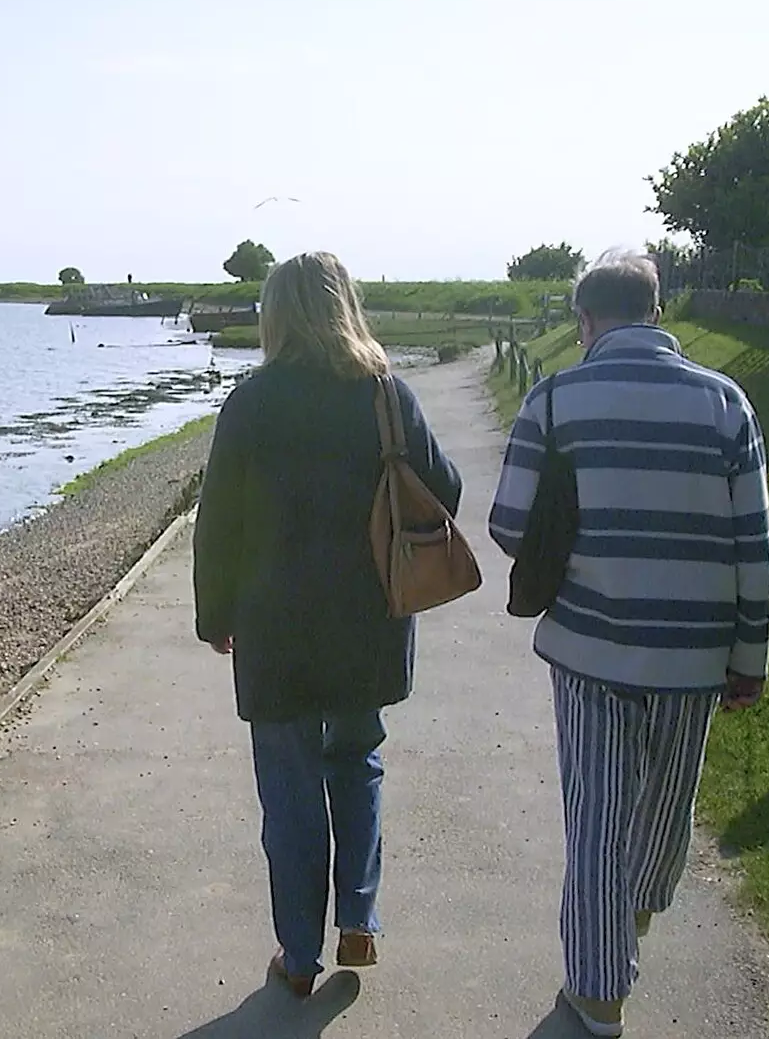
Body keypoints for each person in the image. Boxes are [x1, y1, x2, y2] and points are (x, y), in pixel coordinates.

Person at [488, 249, 769, 1037]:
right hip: (694, 656)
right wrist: (750, 659)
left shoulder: (557, 399)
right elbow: (755, 541)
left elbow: (510, 523)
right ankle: (631, 920)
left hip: (591, 651)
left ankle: (598, 1000)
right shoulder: (726, 404)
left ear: (584, 321)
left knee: (596, 824)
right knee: (661, 815)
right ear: (658, 312)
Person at [192, 251, 463, 997]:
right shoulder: (385, 396)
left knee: (288, 790)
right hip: (367, 623)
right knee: (357, 761)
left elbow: (218, 523)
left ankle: (299, 956)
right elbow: (447, 490)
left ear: (275, 316)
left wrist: (214, 615)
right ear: (347, 307)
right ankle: (360, 922)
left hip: (274, 629)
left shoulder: (251, 403)